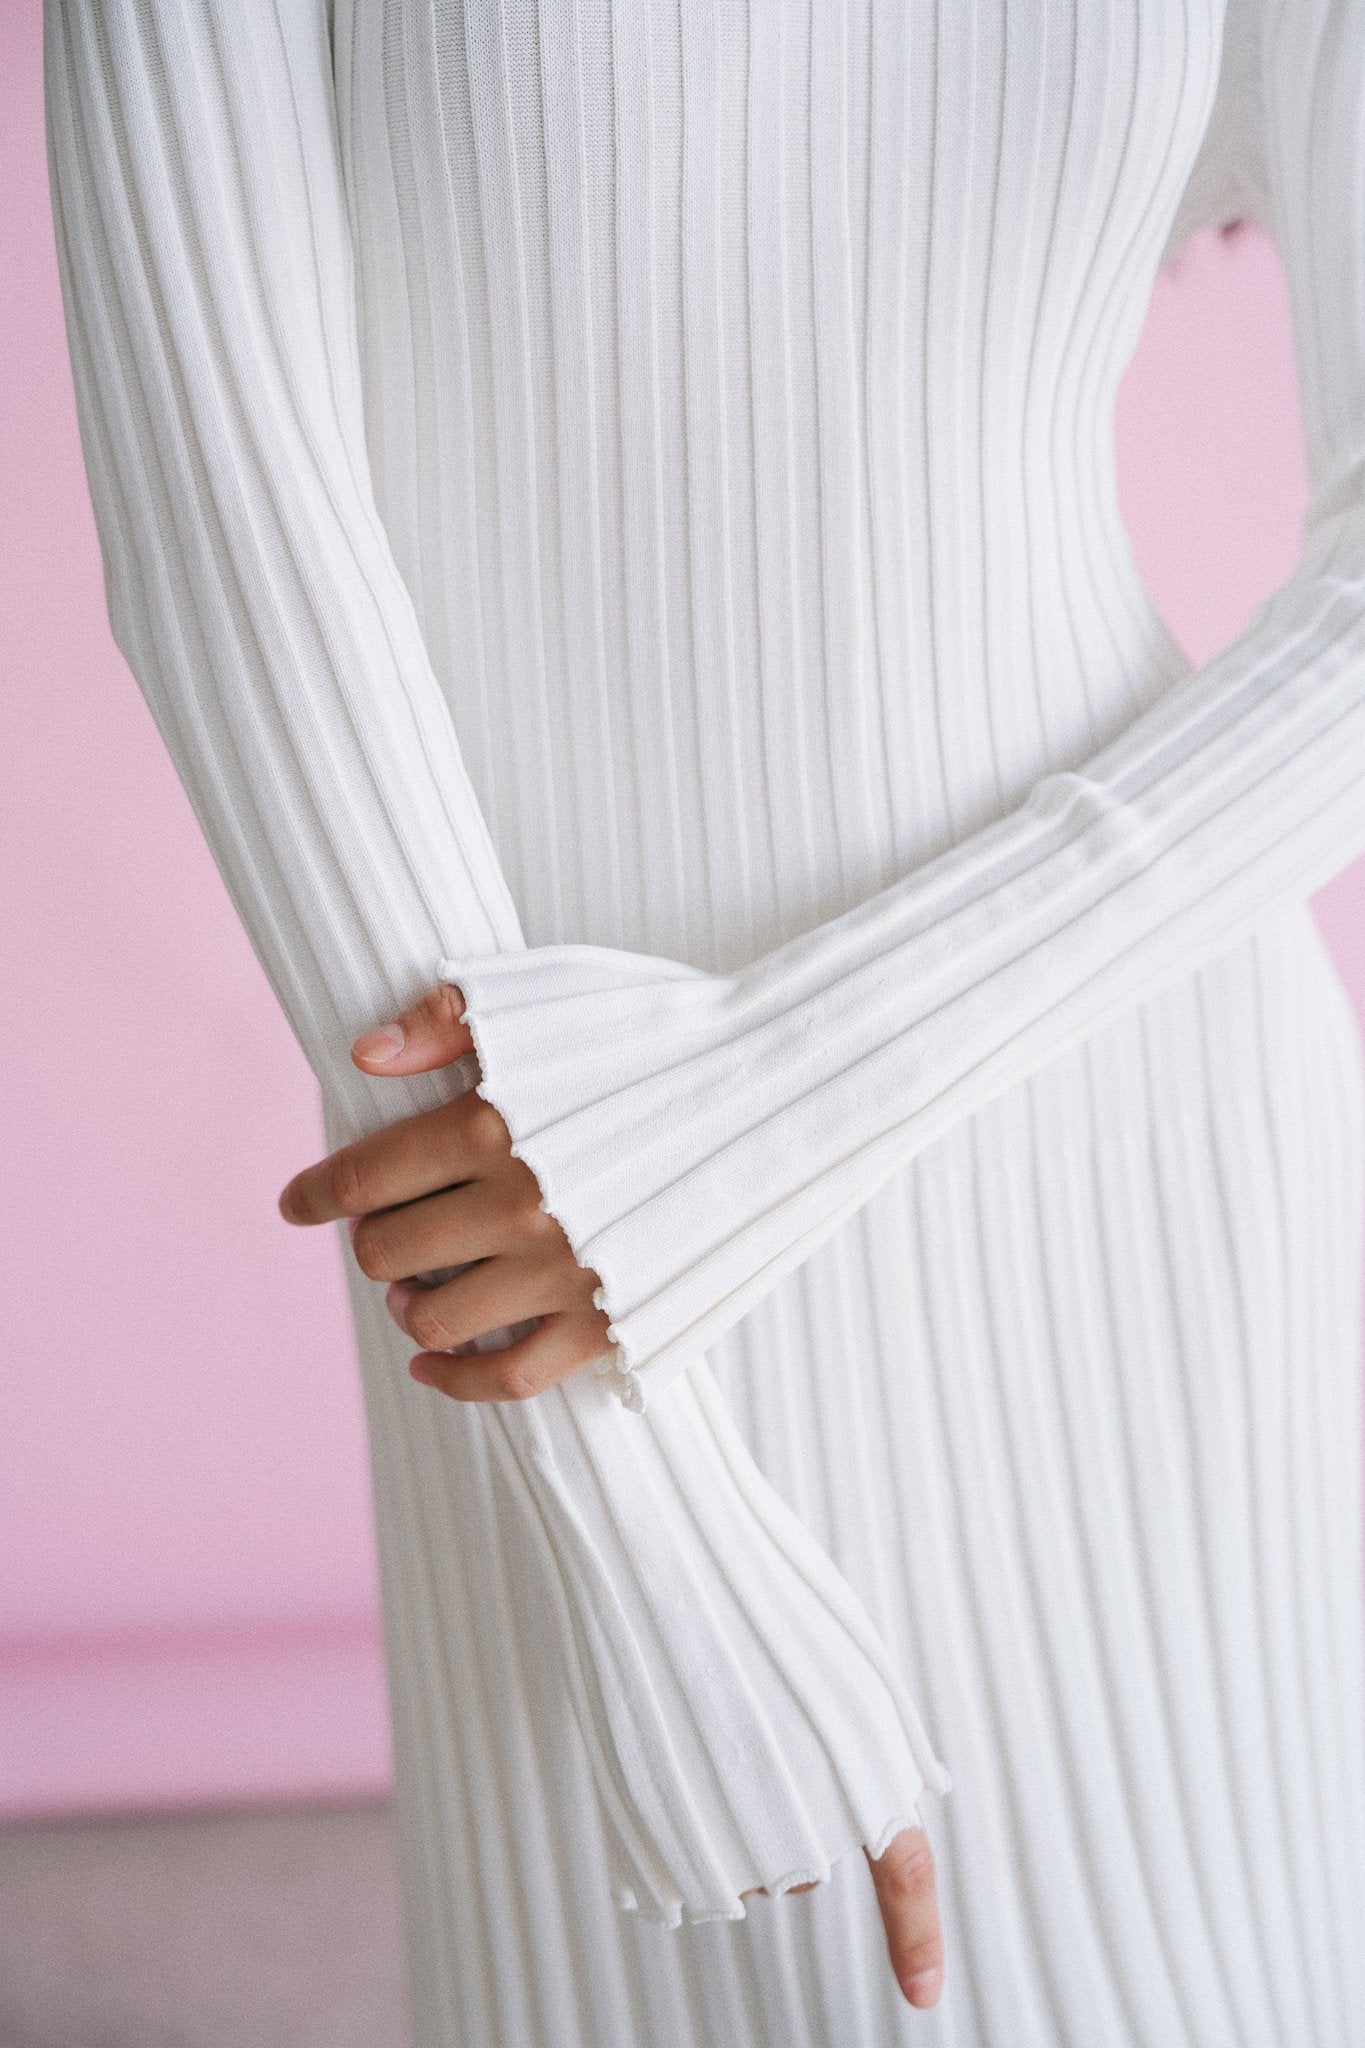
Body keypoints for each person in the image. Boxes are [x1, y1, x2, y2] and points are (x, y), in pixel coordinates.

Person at [43, 1, 1365, 2041]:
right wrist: (625, 1496)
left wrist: (753, 1103)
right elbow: (234, 545)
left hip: (1123, 1145)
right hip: (539, 1243)